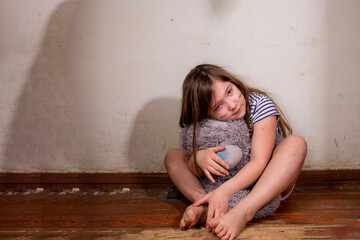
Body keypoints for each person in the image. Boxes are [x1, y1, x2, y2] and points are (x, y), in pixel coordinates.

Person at [164, 64, 307, 240]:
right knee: (173, 155)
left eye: (229, 91)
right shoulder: (205, 124)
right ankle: (203, 203)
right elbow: (195, 169)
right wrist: (197, 159)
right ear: (206, 113)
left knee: (296, 143)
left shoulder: (259, 104)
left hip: (264, 183)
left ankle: (243, 212)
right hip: (223, 180)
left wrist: (223, 192)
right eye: (218, 106)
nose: (232, 105)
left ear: (233, 82)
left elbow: (258, 163)